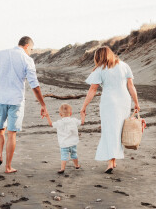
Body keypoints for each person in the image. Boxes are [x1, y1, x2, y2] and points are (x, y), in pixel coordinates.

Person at [0, 36, 48, 173]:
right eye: (31, 49)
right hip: (16, 100)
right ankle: (8, 167)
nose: (30, 52)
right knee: (12, 134)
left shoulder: (0, 54)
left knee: (0, 130)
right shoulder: (27, 60)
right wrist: (43, 105)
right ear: (27, 46)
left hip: (0, 98)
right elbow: (34, 85)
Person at [80, 46, 140, 174]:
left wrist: (84, 106)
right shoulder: (124, 66)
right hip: (124, 101)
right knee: (118, 130)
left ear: (98, 57)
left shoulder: (100, 69)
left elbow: (92, 90)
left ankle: (110, 162)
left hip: (109, 102)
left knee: (110, 130)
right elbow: (131, 86)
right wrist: (136, 102)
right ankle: (113, 160)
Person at [45, 103, 82, 174]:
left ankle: (62, 168)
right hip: (73, 143)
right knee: (74, 154)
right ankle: (76, 165)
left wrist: (47, 116)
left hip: (64, 143)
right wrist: (82, 114)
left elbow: (51, 124)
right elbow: (81, 122)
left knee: (64, 156)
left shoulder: (59, 122)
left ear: (60, 114)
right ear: (70, 113)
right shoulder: (74, 120)